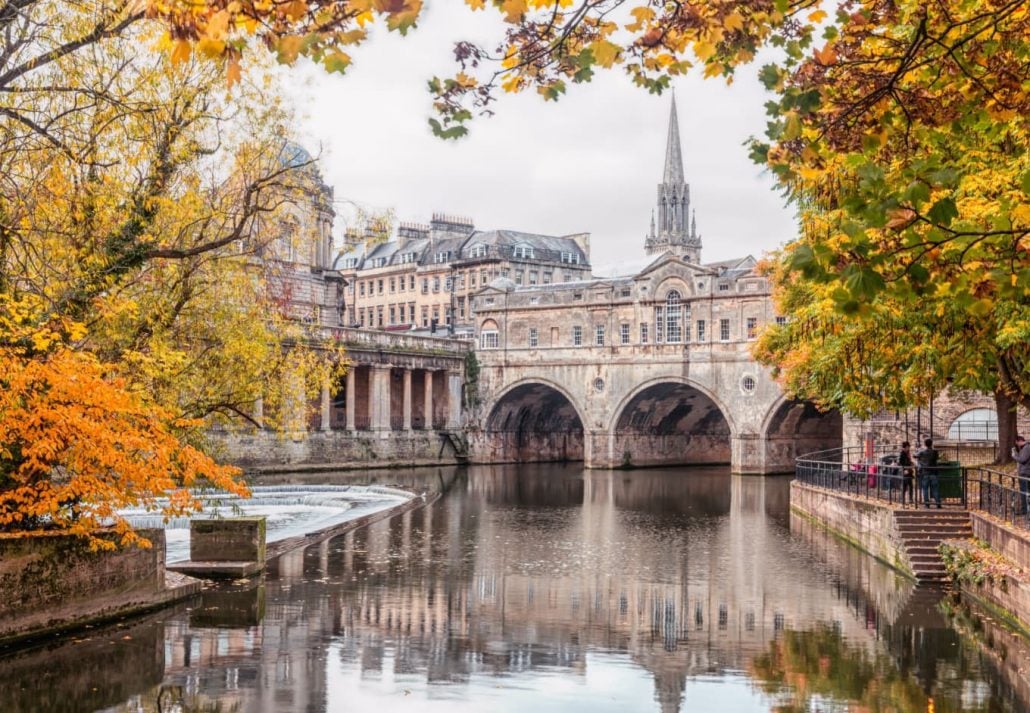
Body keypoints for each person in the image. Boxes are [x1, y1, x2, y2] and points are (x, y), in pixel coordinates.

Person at [916, 438, 940, 508]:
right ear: (931, 444)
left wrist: (920, 449)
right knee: (935, 488)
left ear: (925, 444)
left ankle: (927, 504)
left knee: (925, 489)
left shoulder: (922, 452)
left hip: (925, 473)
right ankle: (938, 503)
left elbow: (915, 455)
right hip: (933, 472)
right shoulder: (935, 452)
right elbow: (937, 458)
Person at [1012, 435, 1030, 515]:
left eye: (1017, 443)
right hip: (1024, 473)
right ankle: (1025, 510)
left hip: (1025, 474)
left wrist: (1014, 456)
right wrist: (1016, 453)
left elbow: (1022, 460)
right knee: (1025, 492)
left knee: (1024, 492)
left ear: (1019, 441)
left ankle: (1025, 511)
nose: (1017, 445)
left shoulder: (1027, 448)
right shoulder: (1024, 448)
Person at [899, 441, 915, 506]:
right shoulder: (902, 454)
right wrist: (904, 469)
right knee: (904, 486)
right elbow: (900, 463)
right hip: (905, 472)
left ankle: (910, 499)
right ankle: (903, 499)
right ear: (905, 447)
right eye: (908, 447)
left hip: (909, 471)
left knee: (910, 486)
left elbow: (908, 461)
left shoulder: (907, 453)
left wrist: (911, 463)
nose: (909, 448)